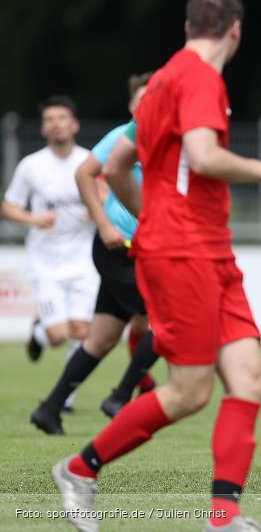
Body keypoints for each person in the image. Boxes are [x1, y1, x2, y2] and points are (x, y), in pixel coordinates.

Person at [52, 0, 261, 532]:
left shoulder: (162, 79)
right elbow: (204, 156)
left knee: (249, 378)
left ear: (189, 27)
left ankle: (223, 515)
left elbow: (116, 166)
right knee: (191, 391)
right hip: (184, 255)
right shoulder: (200, 79)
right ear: (235, 31)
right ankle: (78, 469)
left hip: (207, 251)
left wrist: (152, 219)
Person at [29, 73, 160, 436]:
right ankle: (121, 395)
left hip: (149, 251)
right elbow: (85, 174)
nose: (147, 104)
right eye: (142, 99)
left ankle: (50, 408)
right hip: (120, 250)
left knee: (101, 337)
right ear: (133, 105)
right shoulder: (124, 136)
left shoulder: (169, 136)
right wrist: (103, 223)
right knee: (170, 321)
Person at [2, 95, 98, 410]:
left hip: (84, 258)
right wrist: (34, 219)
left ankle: (66, 397)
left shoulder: (89, 162)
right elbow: (9, 205)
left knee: (82, 331)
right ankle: (40, 334)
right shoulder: (32, 165)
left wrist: (95, 211)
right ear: (43, 128)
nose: (56, 124)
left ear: (74, 124)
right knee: (59, 335)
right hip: (45, 262)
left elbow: (108, 196)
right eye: (49, 119)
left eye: (62, 118)